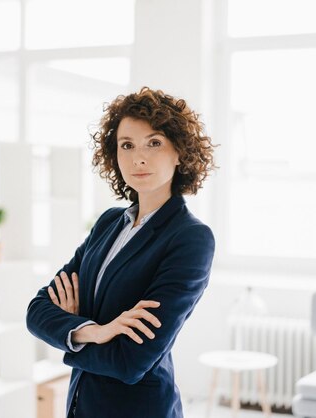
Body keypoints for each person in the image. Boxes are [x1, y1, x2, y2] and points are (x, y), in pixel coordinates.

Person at [26, 87, 216, 418]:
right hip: (80, 405)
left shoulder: (191, 238)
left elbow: (132, 361)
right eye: (126, 145)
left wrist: (69, 331)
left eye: (154, 143)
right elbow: (37, 310)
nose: (137, 157)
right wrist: (96, 331)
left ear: (180, 153)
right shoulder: (109, 223)